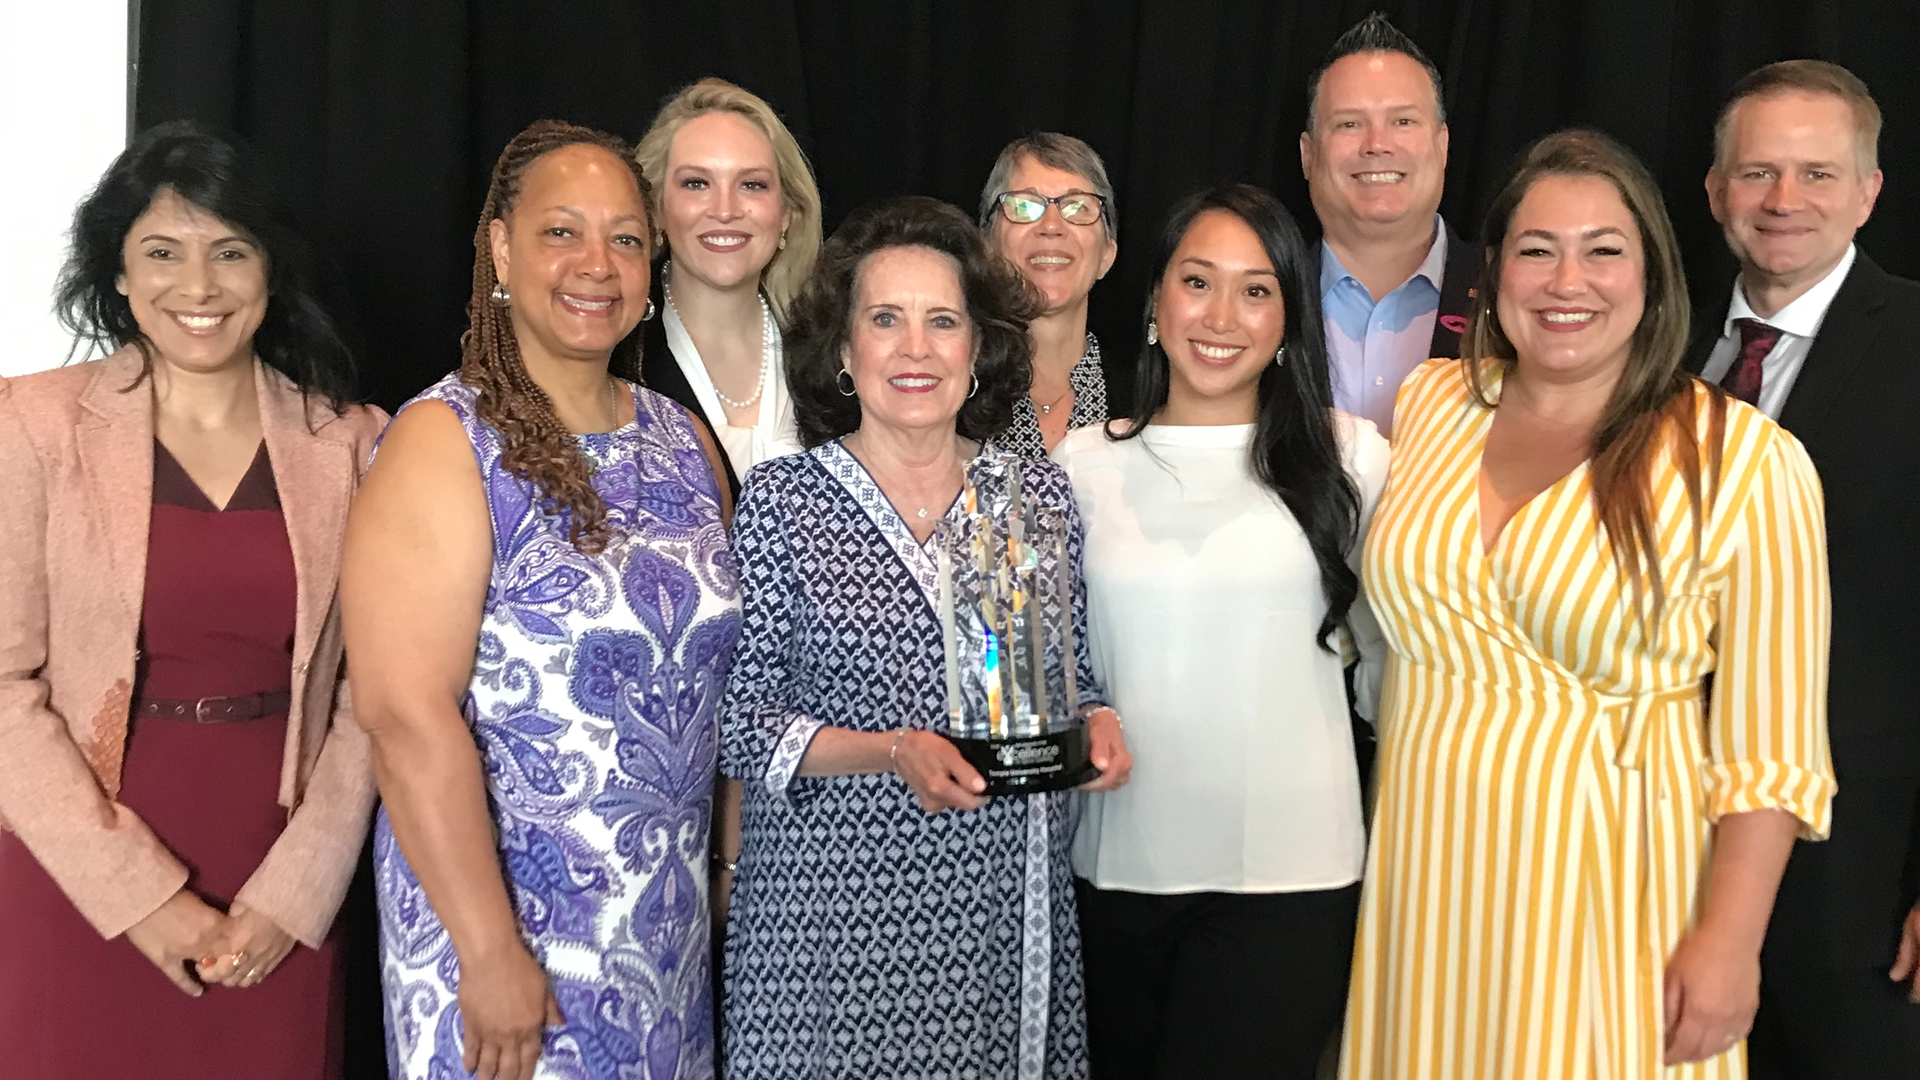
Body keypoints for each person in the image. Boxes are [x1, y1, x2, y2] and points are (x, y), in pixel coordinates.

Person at [1341, 129, 1835, 1080]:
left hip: (1614, 888)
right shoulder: (1435, 402)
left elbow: (1770, 754)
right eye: (1537, 249)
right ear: (1494, 273)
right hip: (1427, 877)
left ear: (1652, 276)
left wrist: (1730, 944)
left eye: (1604, 250)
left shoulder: (1741, 463)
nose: (1568, 280)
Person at [344, 120, 738, 1080]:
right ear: (501, 250)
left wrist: (722, 874)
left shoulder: (682, 440)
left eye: (626, 238)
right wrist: (487, 952)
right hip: (509, 944)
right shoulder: (444, 442)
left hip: (665, 936)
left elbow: (726, 685)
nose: (596, 265)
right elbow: (402, 714)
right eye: (562, 232)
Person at [0, 120, 383, 1079]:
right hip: (76, 876)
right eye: (161, 252)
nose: (198, 286)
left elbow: (374, 700)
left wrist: (299, 892)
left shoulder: (355, 443)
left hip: (278, 880)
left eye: (229, 251)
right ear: (119, 273)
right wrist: (137, 895)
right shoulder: (35, 424)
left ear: (269, 270)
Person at [717, 196, 1131, 1078]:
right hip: (829, 930)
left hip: (998, 912)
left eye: (943, 321)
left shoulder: (1034, 498)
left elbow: (1071, 679)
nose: (915, 348)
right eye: (886, 320)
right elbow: (742, 727)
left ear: (978, 350)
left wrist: (1095, 721)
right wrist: (894, 750)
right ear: (841, 349)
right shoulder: (784, 503)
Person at [1056, 185, 1389, 1079]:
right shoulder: (1081, 466)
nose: (1222, 316)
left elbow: (1389, 665)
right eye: (1197, 282)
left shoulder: (1350, 457)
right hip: (1113, 869)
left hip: (1290, 879)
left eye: (1256, 290)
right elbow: (1048, 670)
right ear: (1157, 303)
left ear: (1288, 318)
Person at [1690, 61, 1920, 1080]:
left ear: (1870, 191)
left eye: (1818, 175)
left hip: (1859, 884)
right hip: (1657, 847)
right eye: (1759, 174)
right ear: (1713, 190)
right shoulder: (1648, 338)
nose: (1785, 202)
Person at [636, 77, 823, 494]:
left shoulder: (832, 353)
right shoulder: (618, 356)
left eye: (752, 184)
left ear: (788, 213)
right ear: (656, 210)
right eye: (696, 184)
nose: (725, 210)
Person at [1301, 11, 1477, 439]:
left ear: (1443, 145)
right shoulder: (1259, 302)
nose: (1377, 144)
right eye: (1349, 124)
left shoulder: (1515, 300)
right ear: (1308, 155)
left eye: (1403, 121)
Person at [977, 132, 1120, 457]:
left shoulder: (1150, 400)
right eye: (1024, 206)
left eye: (1078, 207)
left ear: (1107, 255)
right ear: (986, 246)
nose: (1051, 225)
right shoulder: (946, 387)